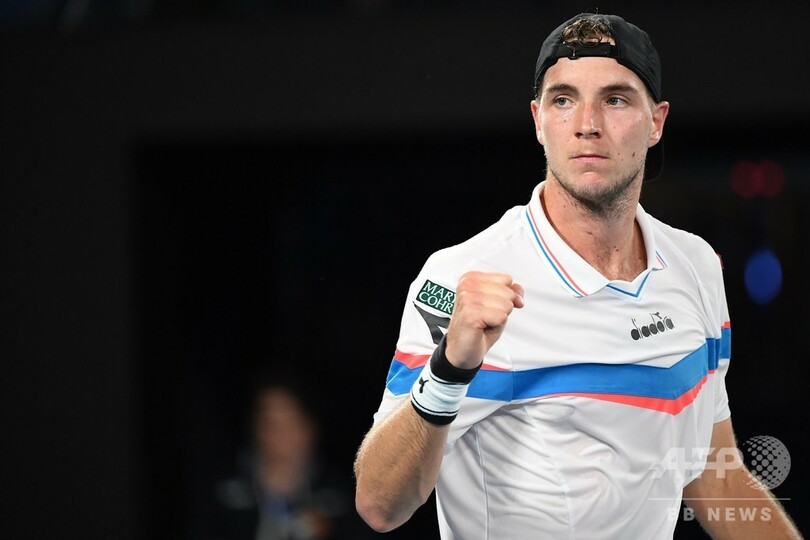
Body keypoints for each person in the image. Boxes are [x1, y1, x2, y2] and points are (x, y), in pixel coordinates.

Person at [353, 12, 803, 539]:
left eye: (615, 100)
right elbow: (380, 505)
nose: (587, 123)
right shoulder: (461, 277)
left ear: (656, 122)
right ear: (538, 120)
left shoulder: (695, 265)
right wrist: (450, 368)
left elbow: (715, 476)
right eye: (563, 100)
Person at [203, 373, 366, 540]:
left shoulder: (339, 494)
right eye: (270, 423)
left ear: (310, 428)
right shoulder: (225, 489)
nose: (277, 436)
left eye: (289, 423)